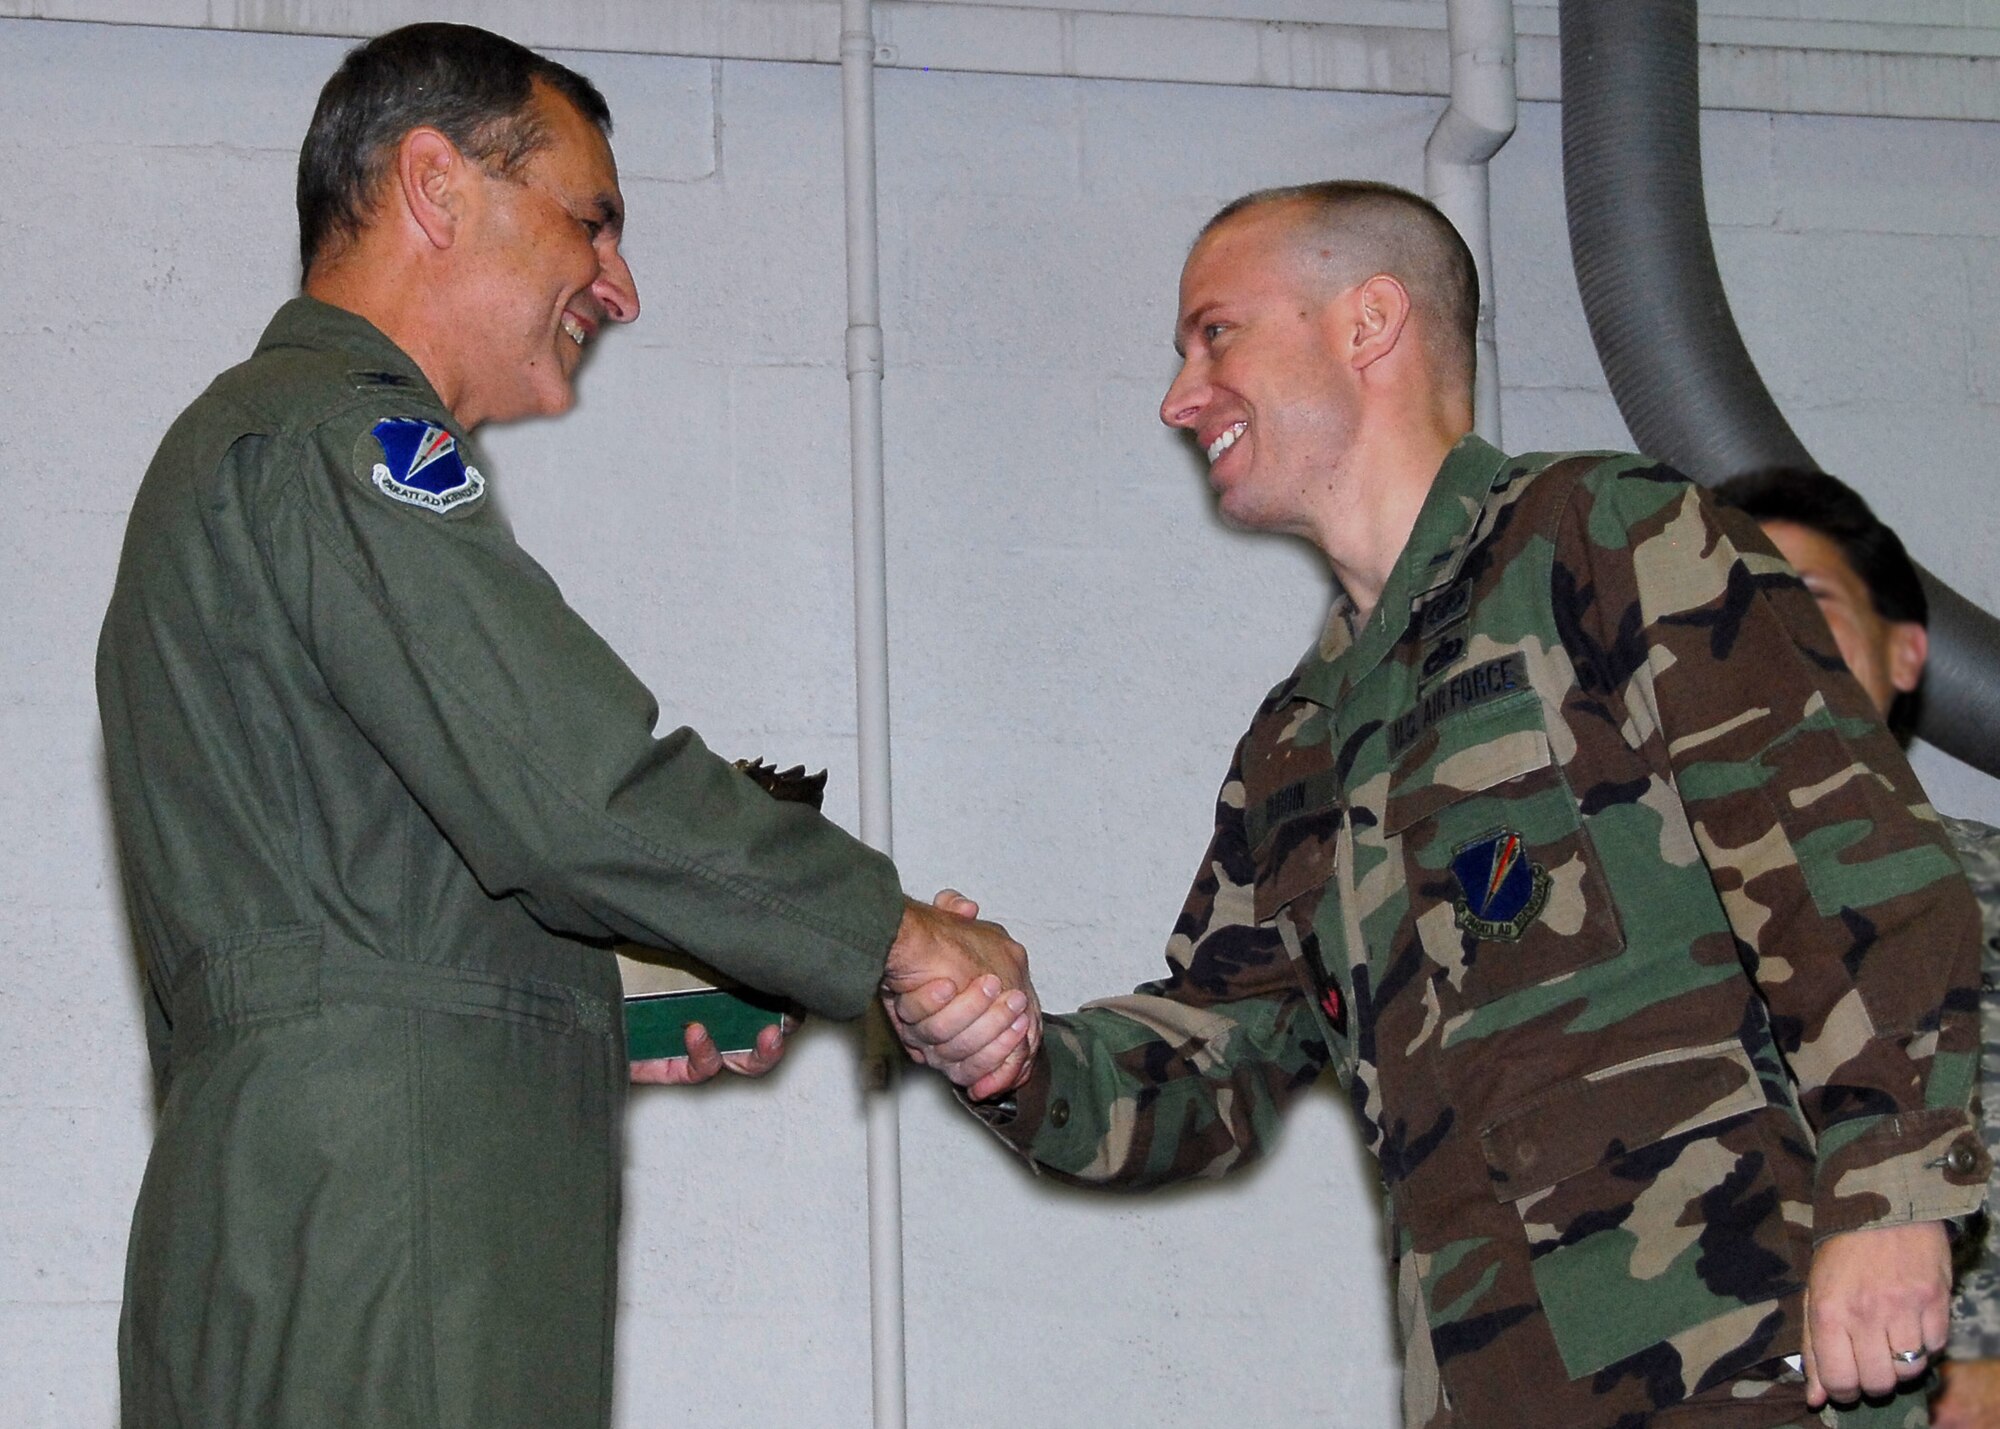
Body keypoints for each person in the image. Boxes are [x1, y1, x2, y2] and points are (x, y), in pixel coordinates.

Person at [890, 182, 1988, 1428]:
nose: (1178, 395)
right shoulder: (1295, 740)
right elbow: (1217, 1064)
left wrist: (1891, 1195)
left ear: (1367, 322)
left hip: (1745, 1367)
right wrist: (1006, 1048)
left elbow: (1857, 871)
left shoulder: (1607, 541)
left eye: (1214, 334)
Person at [96, 24, 1033, 1429]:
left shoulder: (252, 450)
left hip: (300, 1228)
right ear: (435, 185)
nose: (621, 286)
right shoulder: (345, 441)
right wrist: (894, 931)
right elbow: (570, 791)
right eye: (590, 220)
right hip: (392, 1247)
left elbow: (357, 904)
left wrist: (615, 998)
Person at [1713, 467, 2000, 1429]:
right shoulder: (1617, 934)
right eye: (1730, 605)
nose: (1770, 634)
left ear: (1908, 652)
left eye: (1811, 601)